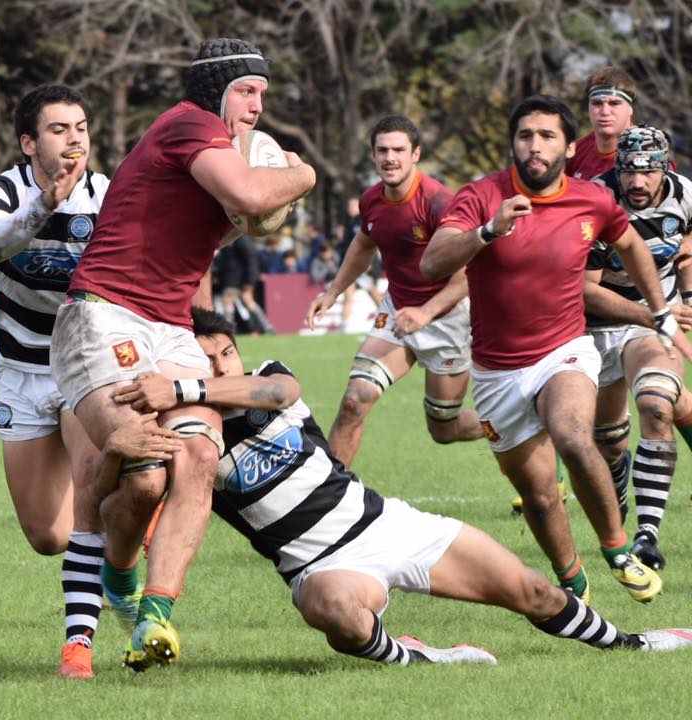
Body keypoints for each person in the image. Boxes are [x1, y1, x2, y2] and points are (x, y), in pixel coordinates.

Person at [107, 308, 692, 666]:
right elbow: (133, 499)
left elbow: (281, 394)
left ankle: (631, 643)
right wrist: (122, 445)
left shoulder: (266, 377)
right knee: (333, 611)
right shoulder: (188, 439)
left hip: (387, 524)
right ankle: (415, 657)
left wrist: (184, 390)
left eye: (226, 353)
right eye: (204, 360)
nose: (220, 366)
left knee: (533, 592)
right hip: (319, 566)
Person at [49, 37, 316, 672]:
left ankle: (155, 614)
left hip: (170, 330)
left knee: (197, 455)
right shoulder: (189, 125)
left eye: (262, 94)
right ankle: (112, 585)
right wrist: (303, 175)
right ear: (216, 90)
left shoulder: (218, 153)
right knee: (143, 472)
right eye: (245, 91)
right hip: (103, 315)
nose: (256, 106)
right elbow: (252, 199)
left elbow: (222, 230)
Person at [419, 94, 682, 605]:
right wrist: (487, 231)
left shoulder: (592, 200)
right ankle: (573, 585)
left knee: (573, 435)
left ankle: (618, 550)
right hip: (496, 372)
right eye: (525, 136)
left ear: (568, 147)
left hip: (566, 350)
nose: (535, 146)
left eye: (547, 136)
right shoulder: (480, 196)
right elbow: (433, 263)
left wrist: (659, 309)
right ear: (512, 144)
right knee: (539, 497)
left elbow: (630, 244)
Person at [0, 84, 109, 679]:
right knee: (48, 536)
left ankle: (79, 643)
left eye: (80, 127)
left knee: (89, 495)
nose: (74, 138)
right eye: (58, 129)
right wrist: (45, 204)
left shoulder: (110, 194)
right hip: (18, 368)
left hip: (84, 361)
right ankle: (127, 519)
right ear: (29, 143)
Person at [307, 115, 484, 468]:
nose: (390, 158)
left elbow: (467, 276)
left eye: (398, 150)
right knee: (354, 400)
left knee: (444, 429)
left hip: (447, 319)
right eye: (382, 150)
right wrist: (333, 292)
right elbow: (364, 244)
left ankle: (513, 424)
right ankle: (330, 493)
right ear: (373, 155)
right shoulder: (371, 200)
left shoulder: (439, 203)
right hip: (397, 312)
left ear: (415, 154)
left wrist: (426, 313)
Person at [584, 124, 692, 571]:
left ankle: (647, 536)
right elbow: (585, 288)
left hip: (652, 322)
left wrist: (686, 298)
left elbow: (688, 244)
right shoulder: (596, 200)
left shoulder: (684, 194)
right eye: (629, 171)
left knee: (656, 405)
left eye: (647, 172)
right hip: (593, 326)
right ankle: (618, 482)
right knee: (608, 443)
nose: (637, 182)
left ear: (665, 168)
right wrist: (650, 314)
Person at [566, 66, 636, 180]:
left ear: (630, 109)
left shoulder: (649, 154)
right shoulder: (575, 152)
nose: (605, 112)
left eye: (614, 103)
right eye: (597, 103)